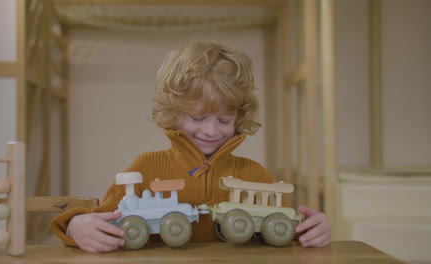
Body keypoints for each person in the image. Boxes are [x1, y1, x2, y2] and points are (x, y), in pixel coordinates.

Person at [50, 41, 331, 253]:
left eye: (224, 119)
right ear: (173, 112)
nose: (211, 130)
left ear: (239, 117)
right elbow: (105, 218)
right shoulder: (145, 167)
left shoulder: (254, 174)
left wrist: (314, 229)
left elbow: (286, 232)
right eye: (197, 117)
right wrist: (76, 226)